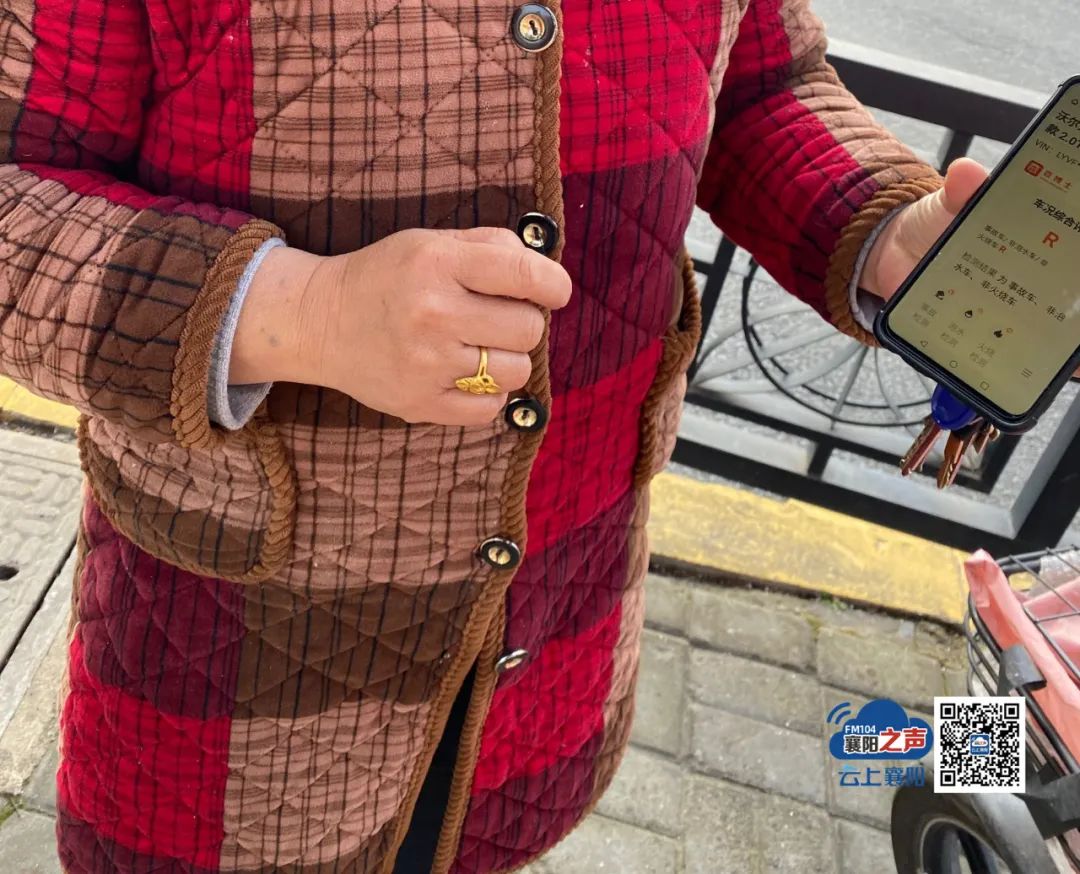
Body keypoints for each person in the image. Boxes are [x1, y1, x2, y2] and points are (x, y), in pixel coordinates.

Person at [0, 0, 987, 869]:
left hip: (560, 611)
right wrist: (302, 312)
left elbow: (760, 85)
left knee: (483, 834)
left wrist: (888, 231)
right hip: (237, 660)